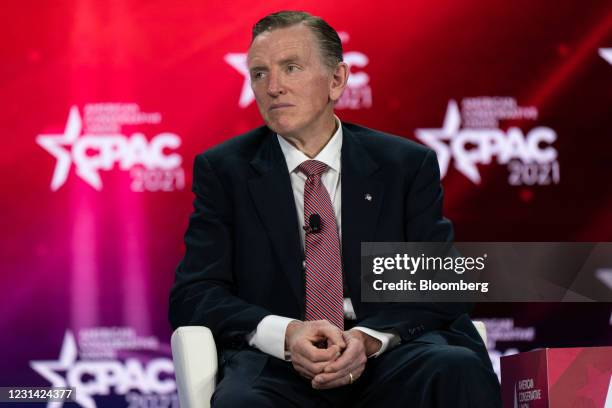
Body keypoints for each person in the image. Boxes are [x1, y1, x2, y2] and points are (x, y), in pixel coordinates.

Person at [169, 10, 501, 408]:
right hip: (278, 367)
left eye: (291, 68)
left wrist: (367, 340)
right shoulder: (225, 170)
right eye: (258, 74)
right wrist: (287, 333)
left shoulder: (404, 165)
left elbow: (440, 284)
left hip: (390, 355)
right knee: (242, 402)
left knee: (454, 368)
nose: (272, 87)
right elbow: (196, 292)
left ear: (337, 79)